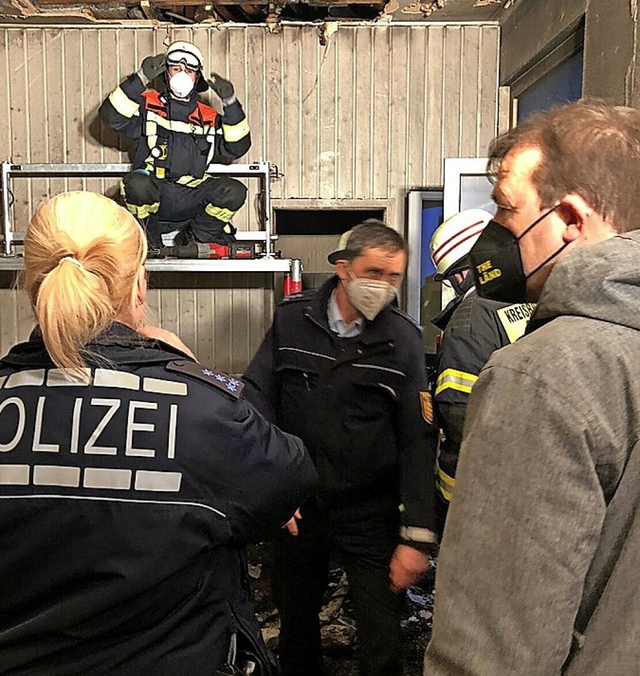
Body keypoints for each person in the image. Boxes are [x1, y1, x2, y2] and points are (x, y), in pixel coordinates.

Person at [0, 190, 318, 675]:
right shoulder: (201, 414)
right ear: (138, 287)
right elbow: (288, 475)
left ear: (31, 284)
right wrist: (185, 367)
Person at [423, 99, 640, 676]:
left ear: (570, 218)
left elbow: (494, 651)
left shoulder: (545, 373)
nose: (495, 236)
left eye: (506, 210)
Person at [243, 219, 438, 676]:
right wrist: (274, 484)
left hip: (370, 510)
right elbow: (257, 397)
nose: (384, 286)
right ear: (344, 268)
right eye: (374, 272)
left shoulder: (402, 340)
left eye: (394, 276)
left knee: (380, 628)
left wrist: (418, 536)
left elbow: (417, 439)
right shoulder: (293, 319)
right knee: (295, 618)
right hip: (300, 505)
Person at [428, 208, 534, 533]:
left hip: (472, 493)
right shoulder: (532, 299)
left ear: (461, 272)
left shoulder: (470, 318)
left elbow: (457, 410)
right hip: (531, 482)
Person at [99, 40, 251, 248]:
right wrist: (141, 78)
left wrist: (231, 103)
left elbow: (237, 147)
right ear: (165, 73)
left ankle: (194, 238)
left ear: (197, 76)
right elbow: (111, 115)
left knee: (234, 191)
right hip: (154, 194)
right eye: (176, 68)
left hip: (191, 197)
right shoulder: (147, 104)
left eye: (188, 70)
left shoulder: (208, 116)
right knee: (137, 183)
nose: (181, 74)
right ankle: (150, 242)